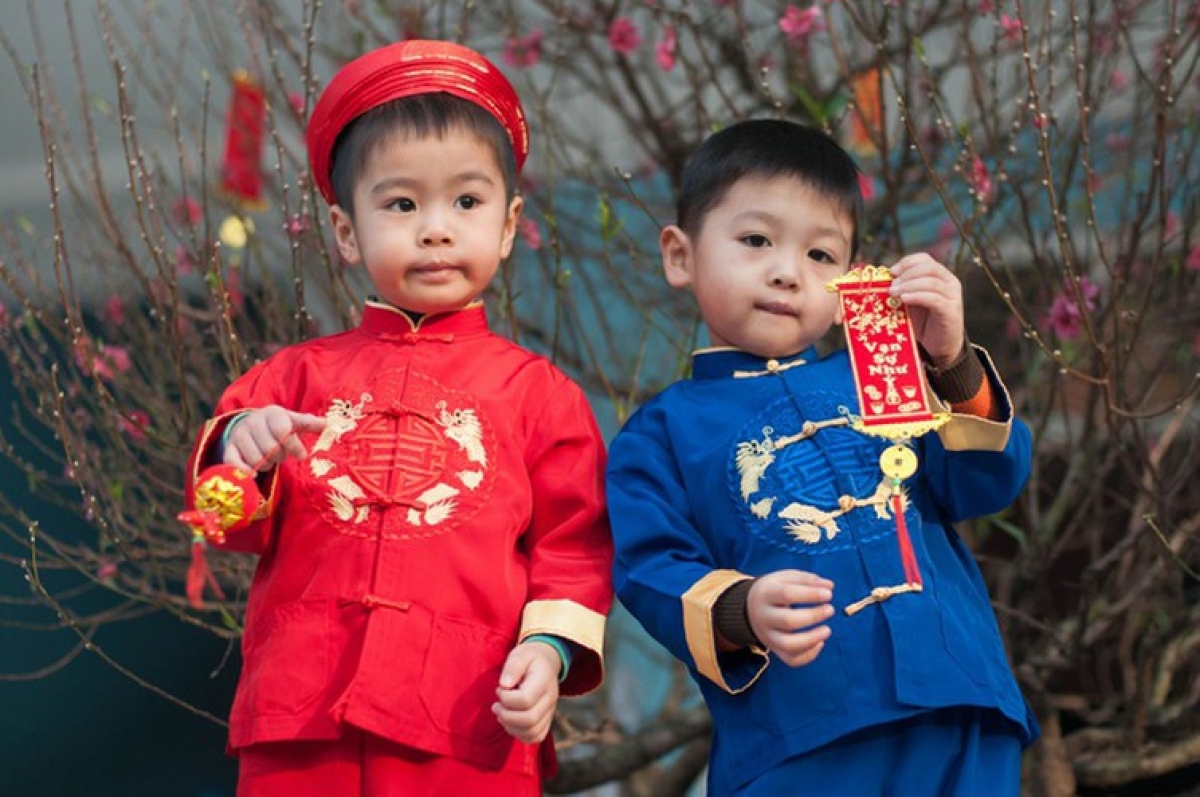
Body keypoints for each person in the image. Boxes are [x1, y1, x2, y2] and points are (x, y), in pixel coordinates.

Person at [183, 39, 613, 796]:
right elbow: (226, 525)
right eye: (402, 203)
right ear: (347, 231)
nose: (436, 228)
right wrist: (240, 455)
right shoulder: (290, 378)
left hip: (467, 713)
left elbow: (573, 551)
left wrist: (546, 651)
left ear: (509, 227)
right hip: (300, 715)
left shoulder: (540, 394)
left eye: (467, 202)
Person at [606, 119, 1038, 795]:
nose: (787, 272)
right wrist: (740, 607)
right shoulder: (660, 433)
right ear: (679, 255)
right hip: (801, 735)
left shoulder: (882, 374)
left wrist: (951, 362)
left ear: (849, 282)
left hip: (961, 701)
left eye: (821, 255)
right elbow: (649, 568)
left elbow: (986, 483)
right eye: (755, 240)